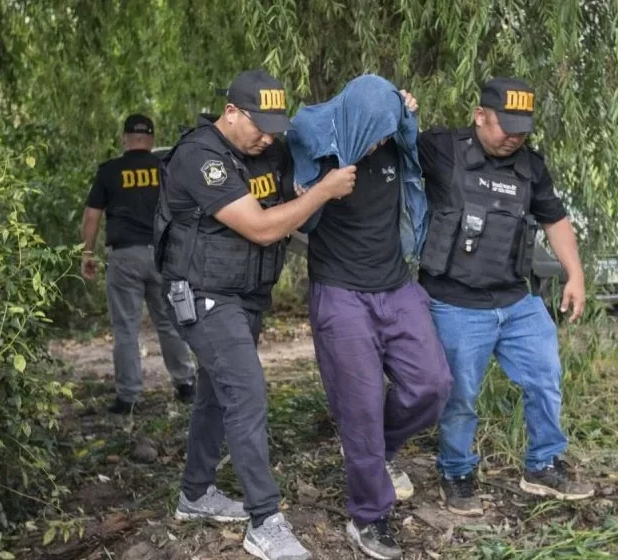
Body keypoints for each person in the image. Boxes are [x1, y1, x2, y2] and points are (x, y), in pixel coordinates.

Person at [156, 70, 356, 560]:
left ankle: (196, 493)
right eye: (259, 125)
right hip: (202, 295)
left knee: (216, 394)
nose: (268, 136)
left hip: (244, 294)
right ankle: (264, 521)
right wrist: (324, 191)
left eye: (274, 126)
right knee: (246, 393)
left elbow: (326, 126)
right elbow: (264, 228)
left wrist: (395, 106)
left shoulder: (269, 150)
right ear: (231, 113)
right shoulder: (200, 157)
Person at [286, 74, 452, 560]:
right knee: (357, 407)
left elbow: (413, 150)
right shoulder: (315, 147)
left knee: (432, 385)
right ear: (356, 119)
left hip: (397, 285)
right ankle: (369, 516)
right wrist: (323, 186)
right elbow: (293, 213)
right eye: (374, 129)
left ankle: (377, 451)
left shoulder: (395, 142)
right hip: (341, 293)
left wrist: (406, 116)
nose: (380, 139)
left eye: (387, 128)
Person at [416, 78, 595, 517]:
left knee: (546, 375)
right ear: (480, 115)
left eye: (522, 128)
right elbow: (384, 149)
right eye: (505, 126)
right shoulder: (442, 149)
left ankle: (543, 464)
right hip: (456, 303)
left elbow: (555, 219)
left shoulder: (530, 166)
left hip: (517, 302)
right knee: (460, 395)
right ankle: (456, 472)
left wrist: (576, 274)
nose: (514, 136)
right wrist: (397, 107)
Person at [81, 114, 197, 414]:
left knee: (126, 330)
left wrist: (87, 253)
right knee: (170, 322)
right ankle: (186, 384)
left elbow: (92, 215)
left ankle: (128, 397)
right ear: (152, 140)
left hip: (125, 256)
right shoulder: (165, 168)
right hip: (163, 255)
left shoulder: (110, 171)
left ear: (124, 139)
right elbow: (185, 211)